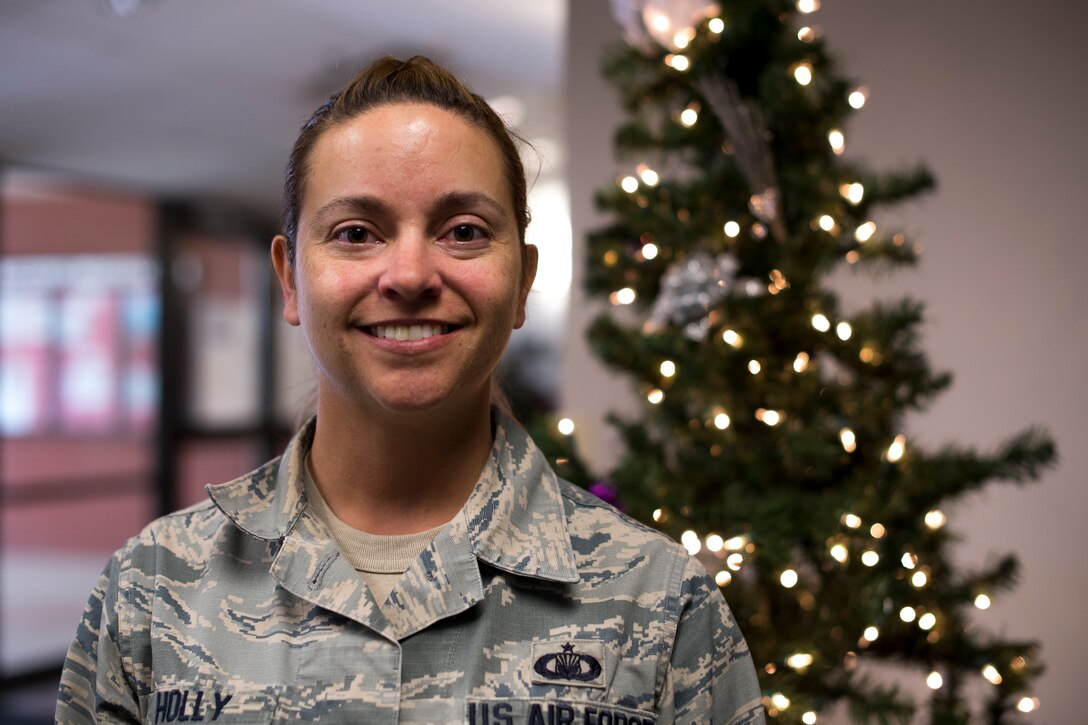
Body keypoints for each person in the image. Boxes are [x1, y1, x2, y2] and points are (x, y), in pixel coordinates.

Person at [57, 55, 764, 724]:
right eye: (357, 232)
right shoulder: (151, 590)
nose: (409, 274)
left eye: (463, 230)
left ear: (521, 280)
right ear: (289, 279)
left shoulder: (658, 600)